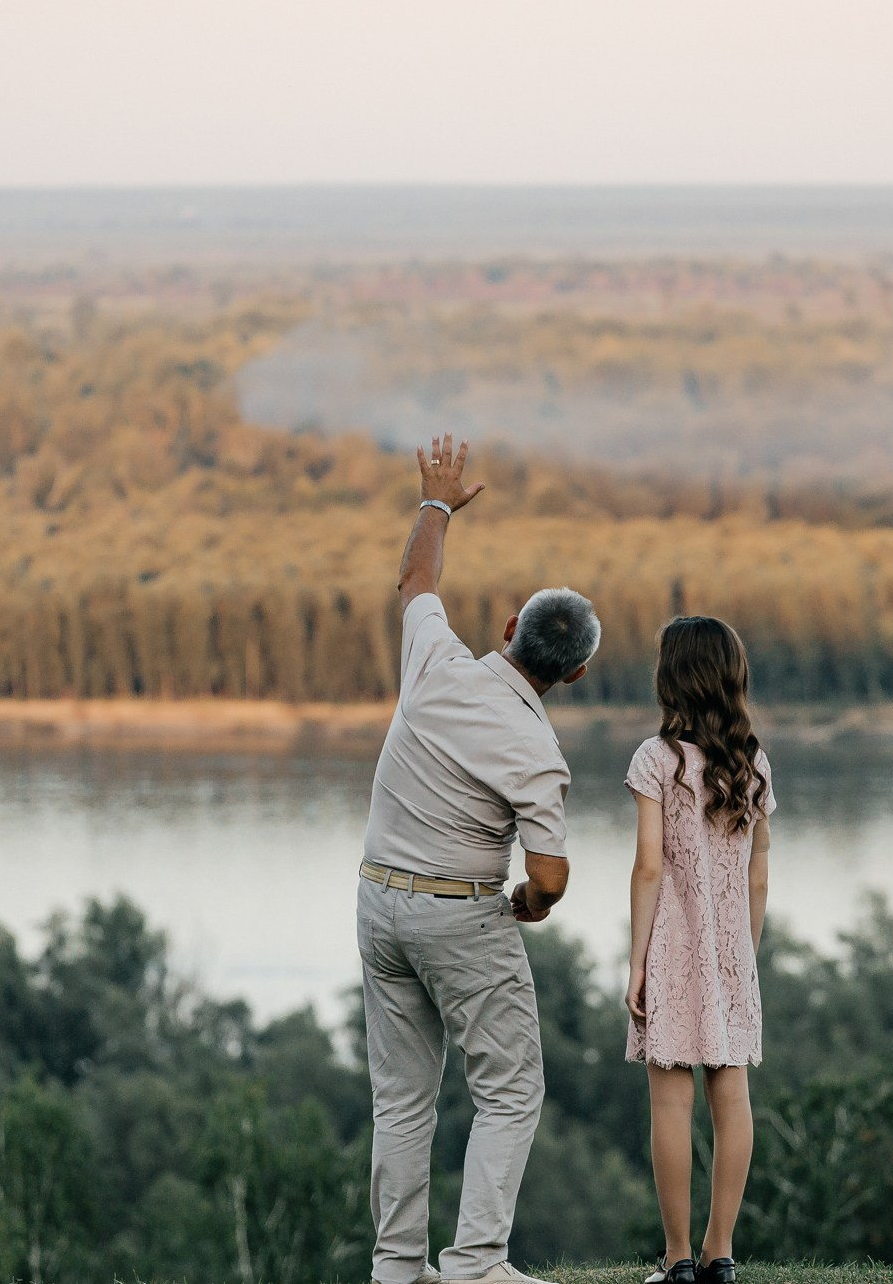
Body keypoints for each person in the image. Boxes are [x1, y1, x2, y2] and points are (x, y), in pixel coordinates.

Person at [358, 432, 602, 1284]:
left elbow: (416, 582)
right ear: (571, 676)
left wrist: (435, 503)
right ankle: (474, 1266)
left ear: (507, 629)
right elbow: (549, 876)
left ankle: (397, 1267)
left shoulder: (434, 661)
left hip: (377, 900)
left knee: (401, 1097)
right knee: (508, 1089)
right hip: (459, 912)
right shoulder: (537, 748)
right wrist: (529, 906)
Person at [624, 616, 776, 1284]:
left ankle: (678, 1256)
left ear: (672, 676)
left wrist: (635, 962)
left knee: (668, 1106)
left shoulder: (655, 760)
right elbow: (759, 871)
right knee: (733, 1099)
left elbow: (649, 867)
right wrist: (747, 950)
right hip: (731, 951)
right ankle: (722, 1253)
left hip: (671, 950)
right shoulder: (753, 762)